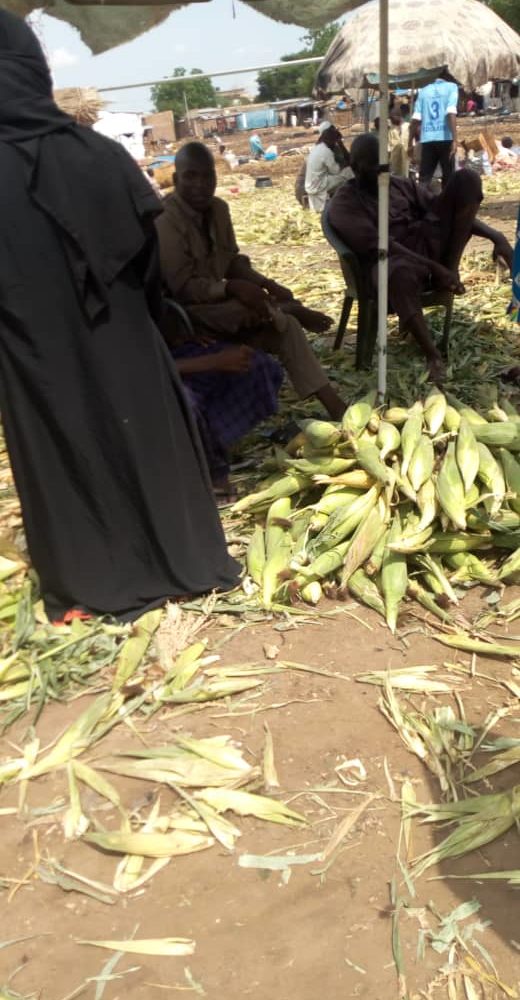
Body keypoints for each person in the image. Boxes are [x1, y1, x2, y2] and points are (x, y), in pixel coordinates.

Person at [0, 10, 239, 622]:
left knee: (65, 449)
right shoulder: (100, 155)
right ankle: (181, 566)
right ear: (33, 69)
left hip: (35, 356)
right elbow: (146, 261)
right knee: (144, 435)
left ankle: (86, 585)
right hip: (125, 338)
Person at [156, 142, 345, 420]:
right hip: (187, 316)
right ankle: (283, 309)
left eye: (207, 176)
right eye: (190, 176)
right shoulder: (165, 219)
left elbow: (232, 262)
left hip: (218, 308)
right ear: (175, 180)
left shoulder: (219, 210)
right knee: (253, 309)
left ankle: (335, 406)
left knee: (287, 328)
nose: (200, 184)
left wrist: (268, 284)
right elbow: (182, 287)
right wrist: (232, 288)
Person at [329, 133, 514, 383]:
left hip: (426, 246)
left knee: (467, 179)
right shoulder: (345, 203)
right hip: (389, 259)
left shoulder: (399, 185)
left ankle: (449, 270)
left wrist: (496, 236)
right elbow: (381, 246)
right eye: (374, 168)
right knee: (396, 273)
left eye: (384, 166)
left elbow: (442, 209)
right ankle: (432, 354)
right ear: (356, 168)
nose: (382, 173)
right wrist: (433, 267)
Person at [172, 342, 282, 504]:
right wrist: (215, 361)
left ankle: (220, 442)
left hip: (172, 353)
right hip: (148, 374)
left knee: (258, 364)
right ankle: (215, 472)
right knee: (186, 403)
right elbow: (142, 370)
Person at [409, 70, 459, 188]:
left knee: (424, 178)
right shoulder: (452, 87)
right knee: (448, 177)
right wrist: (455, 140)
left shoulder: (424, 90)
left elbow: (415, 118)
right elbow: (451, 112)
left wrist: (409, 143)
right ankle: (446, 204)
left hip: (427, 139)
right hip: (445, 138)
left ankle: (420, 204)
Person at [304, 121, 353, 213]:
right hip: (318, 185)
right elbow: (336, 171)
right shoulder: (327, 151)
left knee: (345, 173)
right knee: (350, 173)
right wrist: (345, 165)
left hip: (311, 185)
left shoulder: (317, 148)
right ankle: (350, 203)